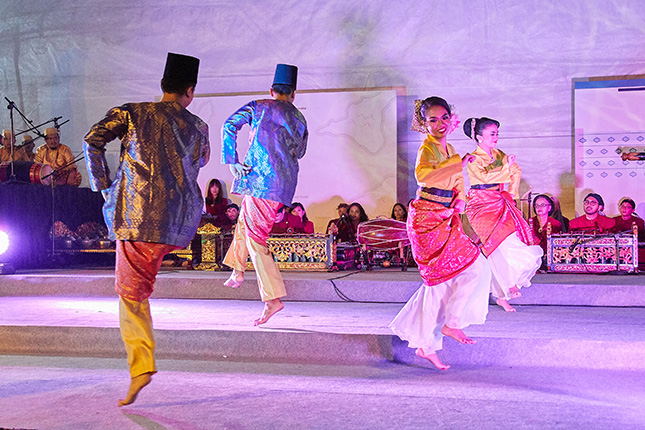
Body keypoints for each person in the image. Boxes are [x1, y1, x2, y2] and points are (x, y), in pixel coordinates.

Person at [83, 52, 210, 407]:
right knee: (140, 286)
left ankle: (141, 365)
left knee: (131, 295)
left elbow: (91, 139)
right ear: (190, 90)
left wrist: (103, 185)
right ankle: (141, 365)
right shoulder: (198, 125)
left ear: (162, 86)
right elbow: (202, 160)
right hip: (177, 223)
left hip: (135, 218)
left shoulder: (132, 112)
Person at [389, 97, 491, 370]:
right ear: (425, 124)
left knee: (474, 267)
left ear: (451, 117)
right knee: (437, 284)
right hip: (425, 219)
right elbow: (424, 177)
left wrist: (459, 200)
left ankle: (450, 325)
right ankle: (428, 344)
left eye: (444, 118)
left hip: (446, 217)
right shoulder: (427, 149)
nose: (440, 124)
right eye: (432, 120)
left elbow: (457, 181)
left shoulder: (450, 149)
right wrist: (459, 162)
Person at [221, 63, 308, 326]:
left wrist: (231, 159)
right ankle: (237, 271)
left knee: (256, 237)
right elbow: (301, 151)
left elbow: (229, 124)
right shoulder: (299, 118)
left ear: (272, 91)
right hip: (280, 184)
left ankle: (272, 298)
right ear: (293, 94)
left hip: (260, 179)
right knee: (245, 223)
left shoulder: (259, 106)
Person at [463, 117, 542, 312]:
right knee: (495, 244)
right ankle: (507, 286)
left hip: (499, 201)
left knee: (510, 243)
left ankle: (500, 294)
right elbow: (485, 177)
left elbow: (515, 170)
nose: (496, 137)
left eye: (497, 133)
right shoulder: (473, 158)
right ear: (479, 137)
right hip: (480, 205)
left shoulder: (499, 154)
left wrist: (512, 194)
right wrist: (506, 167)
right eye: (492, 134)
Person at [530, 194, 563, 269]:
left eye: (543, 205)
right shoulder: (529, 222)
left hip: (550, 259)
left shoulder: (556, 224)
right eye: (537, 205)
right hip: (532, 259)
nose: (539, 208)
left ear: (549, 207)